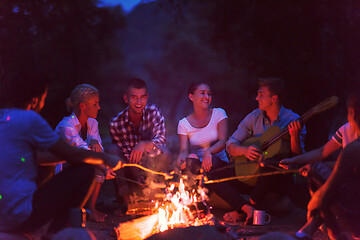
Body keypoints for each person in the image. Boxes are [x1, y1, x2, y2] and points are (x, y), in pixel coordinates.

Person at [0, 73, 123, 238]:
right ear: (35, 100)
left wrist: (79, 156)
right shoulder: (30, 119)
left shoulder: (4, 117)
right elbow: (73, 154)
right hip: (21, 215)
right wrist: (105, 159)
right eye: (44, 97)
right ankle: (55, 231)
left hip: (3, 216)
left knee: (51, 165)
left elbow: (41, 157)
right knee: (86, 170)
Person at [281, 92, 360, 240]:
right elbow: (322, 152)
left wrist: (315, 202)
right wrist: (295, 160)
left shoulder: (354, 149)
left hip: (355, 209)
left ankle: (319, 230)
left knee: (316, 173)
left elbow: (332, 186)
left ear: (353, 113)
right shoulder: (347, 130)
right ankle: (321, 231)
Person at [225, 77, 306, 221]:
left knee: (272, 164)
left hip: (276, 179)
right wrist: (244, 151)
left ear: (274, 98)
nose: (257, 98)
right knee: (212, 174)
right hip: (251, 176)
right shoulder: (254, 116)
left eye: (261, 95)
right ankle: (246, 208)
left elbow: (299, 156)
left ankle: (242, 211)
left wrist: (294, 137)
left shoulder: (293, 119)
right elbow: (231, 143)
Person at [176, 82, 255, 224]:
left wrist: (208, 151)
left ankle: (244, 207)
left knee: (210, 165)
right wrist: (182, 159)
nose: (207, 96)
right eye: (202, 93)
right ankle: (194, 208)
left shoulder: (219, 113)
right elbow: (183, 150)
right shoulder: (183, 123)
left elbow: (223, 141)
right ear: (191, 96)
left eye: (209, 94)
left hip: (219, 165)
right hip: (198, 171)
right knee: (190, 163)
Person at [55, 84, 115, 222]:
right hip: (63, 171)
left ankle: (90, 206)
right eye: (95, 104)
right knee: (96, 164)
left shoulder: (92, 123)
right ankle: (76, 207)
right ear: (82, 106)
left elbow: (99, 150)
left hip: (80, 165)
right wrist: (104, 168)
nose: (99, 107)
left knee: (97, 156)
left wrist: (94, 141)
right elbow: (82, 152)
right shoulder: (66, 127)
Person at [109, 78, 169, 214]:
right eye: (134, 98)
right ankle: (125, 201)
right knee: (112, 151)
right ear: (126, 99)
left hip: (151, 168)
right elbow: (124, 154)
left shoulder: (154, 112)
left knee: (165, 152)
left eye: (142, 97)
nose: (139, 102)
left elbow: (162, 138)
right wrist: (137, 177)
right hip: (129, 172)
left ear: (147, 97)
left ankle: (157, 196)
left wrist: (145, 144)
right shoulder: (116, 123)